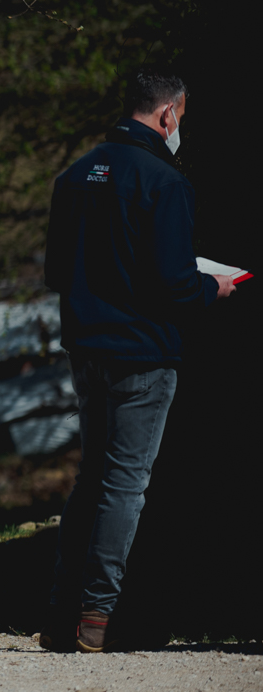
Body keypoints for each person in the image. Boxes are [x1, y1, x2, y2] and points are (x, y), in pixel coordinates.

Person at [41, 71, 236, 652]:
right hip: (144, 354)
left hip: (86, 349)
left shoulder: (73, 176)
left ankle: (60, 612)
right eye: (183, 120)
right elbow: (177, 286)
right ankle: (97, 617)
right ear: (170, 115)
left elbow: (56, 272)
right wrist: (213, 291)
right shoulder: (166, 182)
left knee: (92, 478)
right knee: (125, 484)